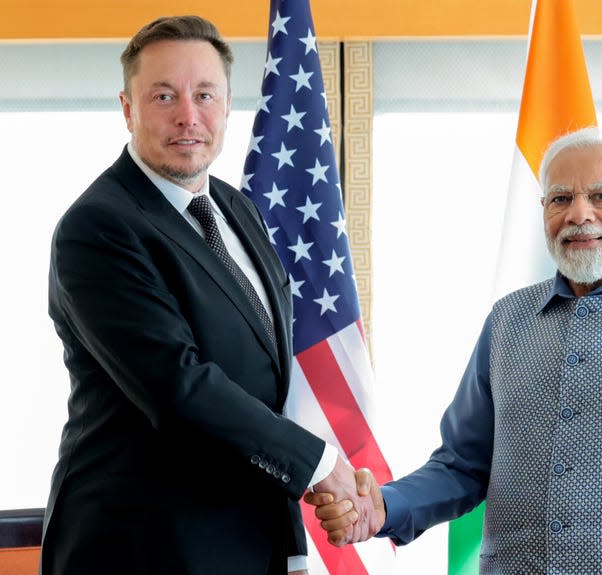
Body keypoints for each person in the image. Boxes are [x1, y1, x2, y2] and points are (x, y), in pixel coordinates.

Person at [307, 128, 602, 573]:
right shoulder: (507, 322)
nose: (579, 214)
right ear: (543, 212)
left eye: (601, 196)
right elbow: (462, 465)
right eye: (561, 199)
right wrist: (385, 506)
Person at [41, 15, 380, 575]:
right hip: (142, 548)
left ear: (227, 105)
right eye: (164, 96)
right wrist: (319, 466)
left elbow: (266, 375)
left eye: (204, 95)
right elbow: (179, 385)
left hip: (247, 538)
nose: (187, 116)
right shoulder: (98, 227)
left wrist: (332, 475)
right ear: (127, 108)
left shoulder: (235, 206)